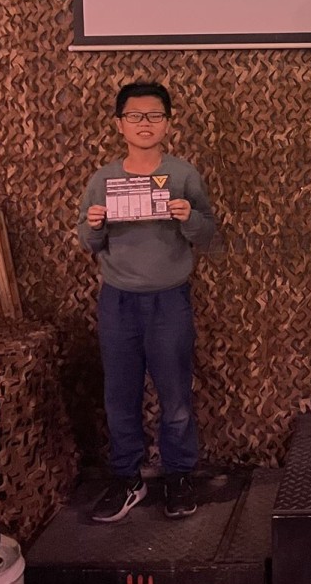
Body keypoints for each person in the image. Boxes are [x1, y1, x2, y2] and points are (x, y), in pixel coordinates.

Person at [77, 81, 217, 521]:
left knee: (175, 395)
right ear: (119, 124)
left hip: (169, 300)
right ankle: (127, 478)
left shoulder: (182, 175)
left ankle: (178, 476)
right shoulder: (103, 179)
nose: (145, 124)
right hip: (118, 301)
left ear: (168, 123)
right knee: (120, 395)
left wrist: (189, 217)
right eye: (135, 116)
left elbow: (208, 234)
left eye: (155, 115)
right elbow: (89, 242)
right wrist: (94, 224)